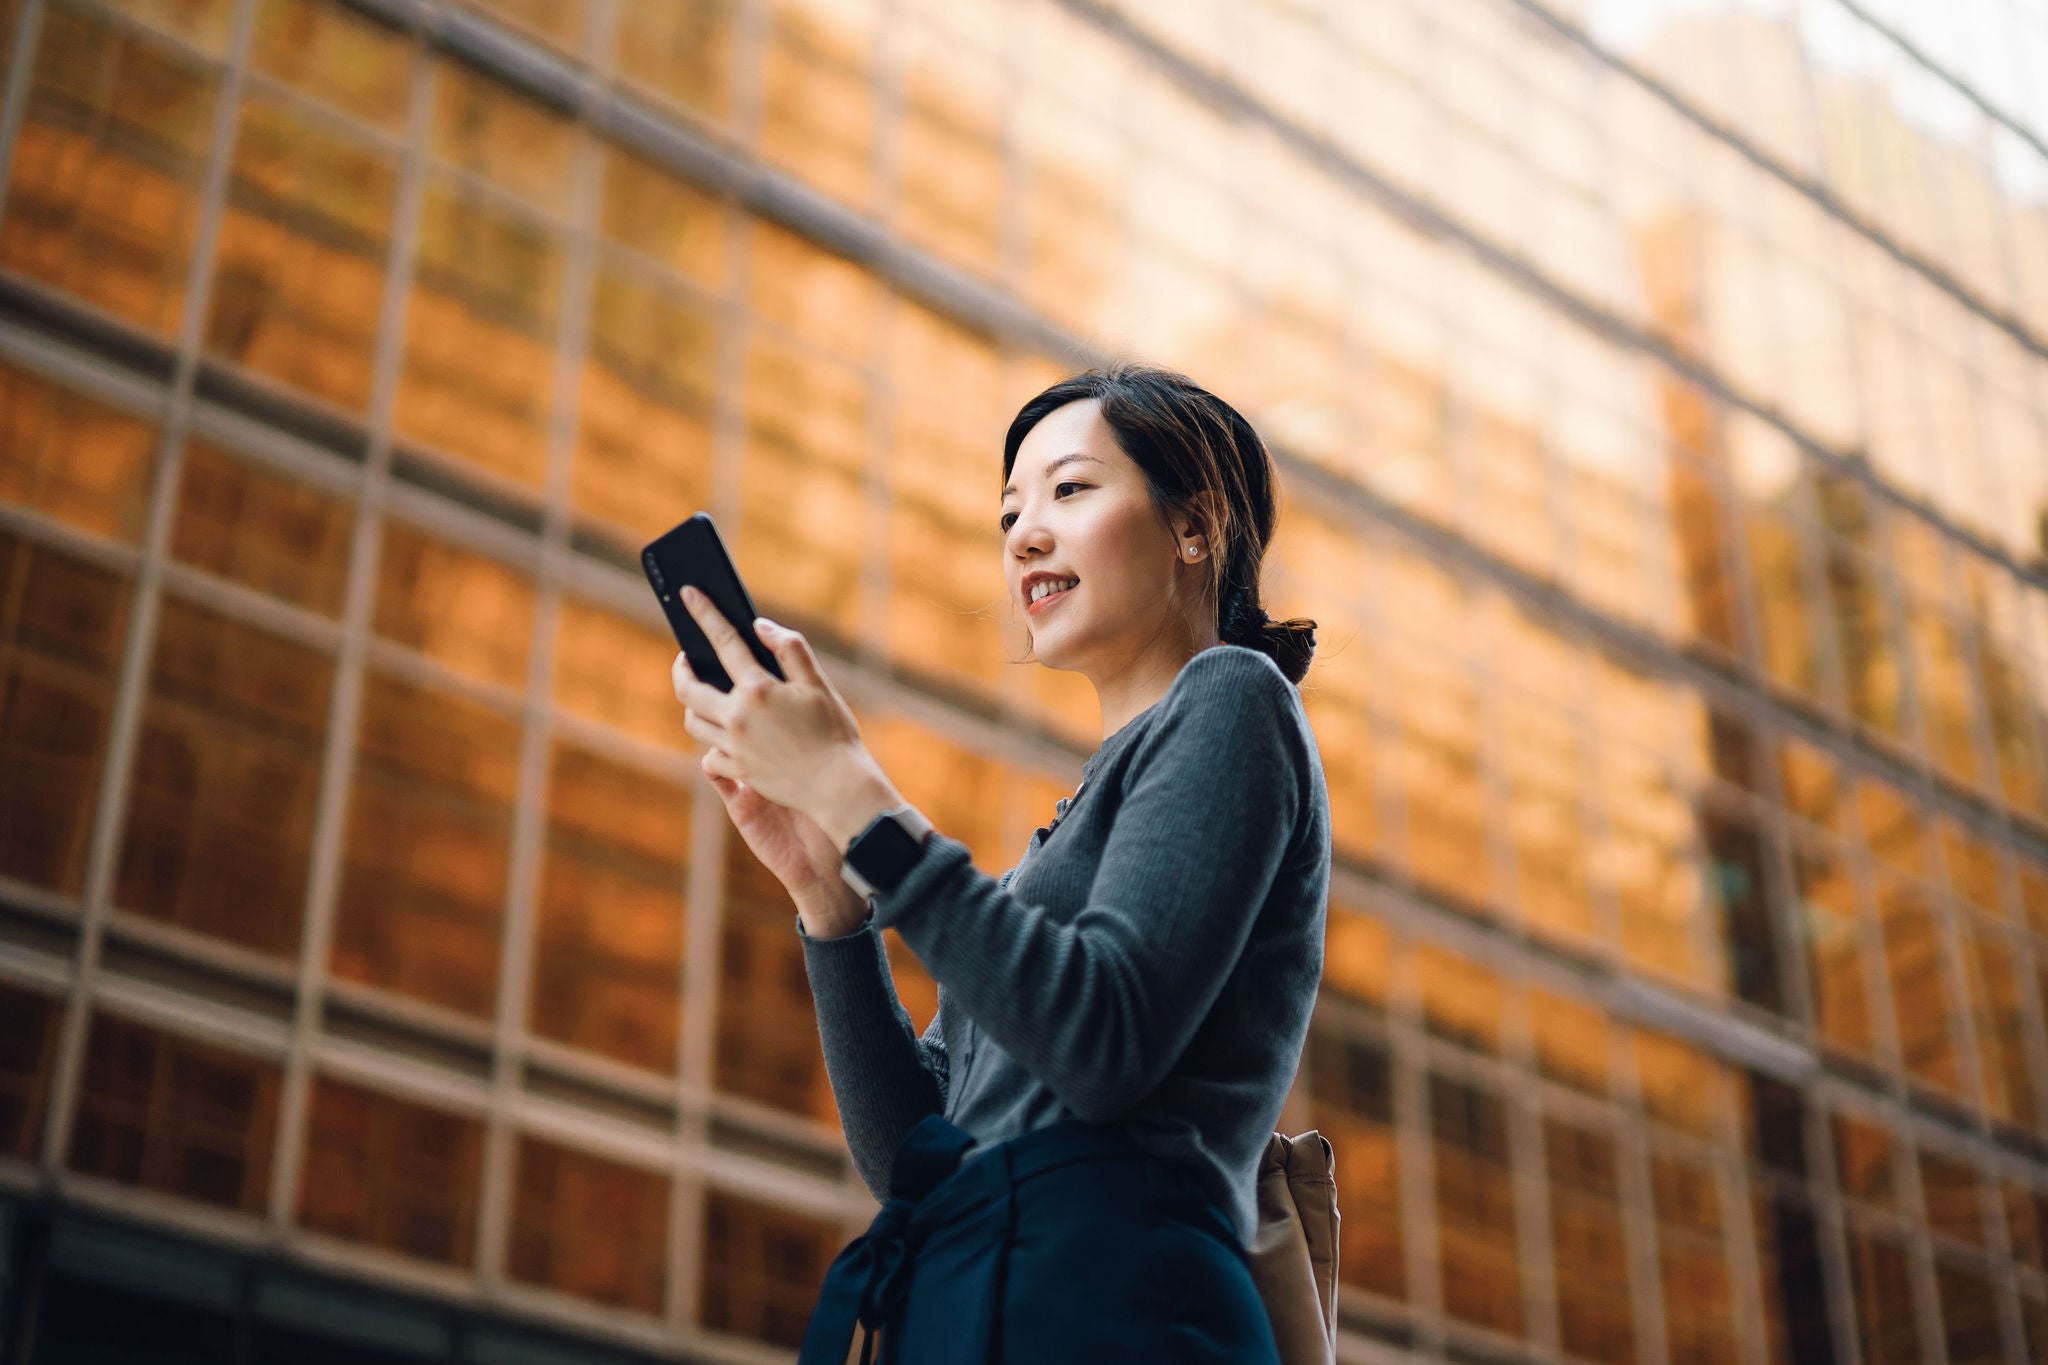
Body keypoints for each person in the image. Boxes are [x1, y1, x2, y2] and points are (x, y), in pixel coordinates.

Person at [670, 362, 1330, 1363]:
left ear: (1193, 527)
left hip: (1115, 1309)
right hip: (970, 1310)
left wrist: (858, 796)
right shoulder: (1050, 848)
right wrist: (830, 903)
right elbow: (915, 1159)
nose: (1024, 533)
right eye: (1009, 512)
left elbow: (1101, 1040)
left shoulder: (1233, 700)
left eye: (1069, 490)